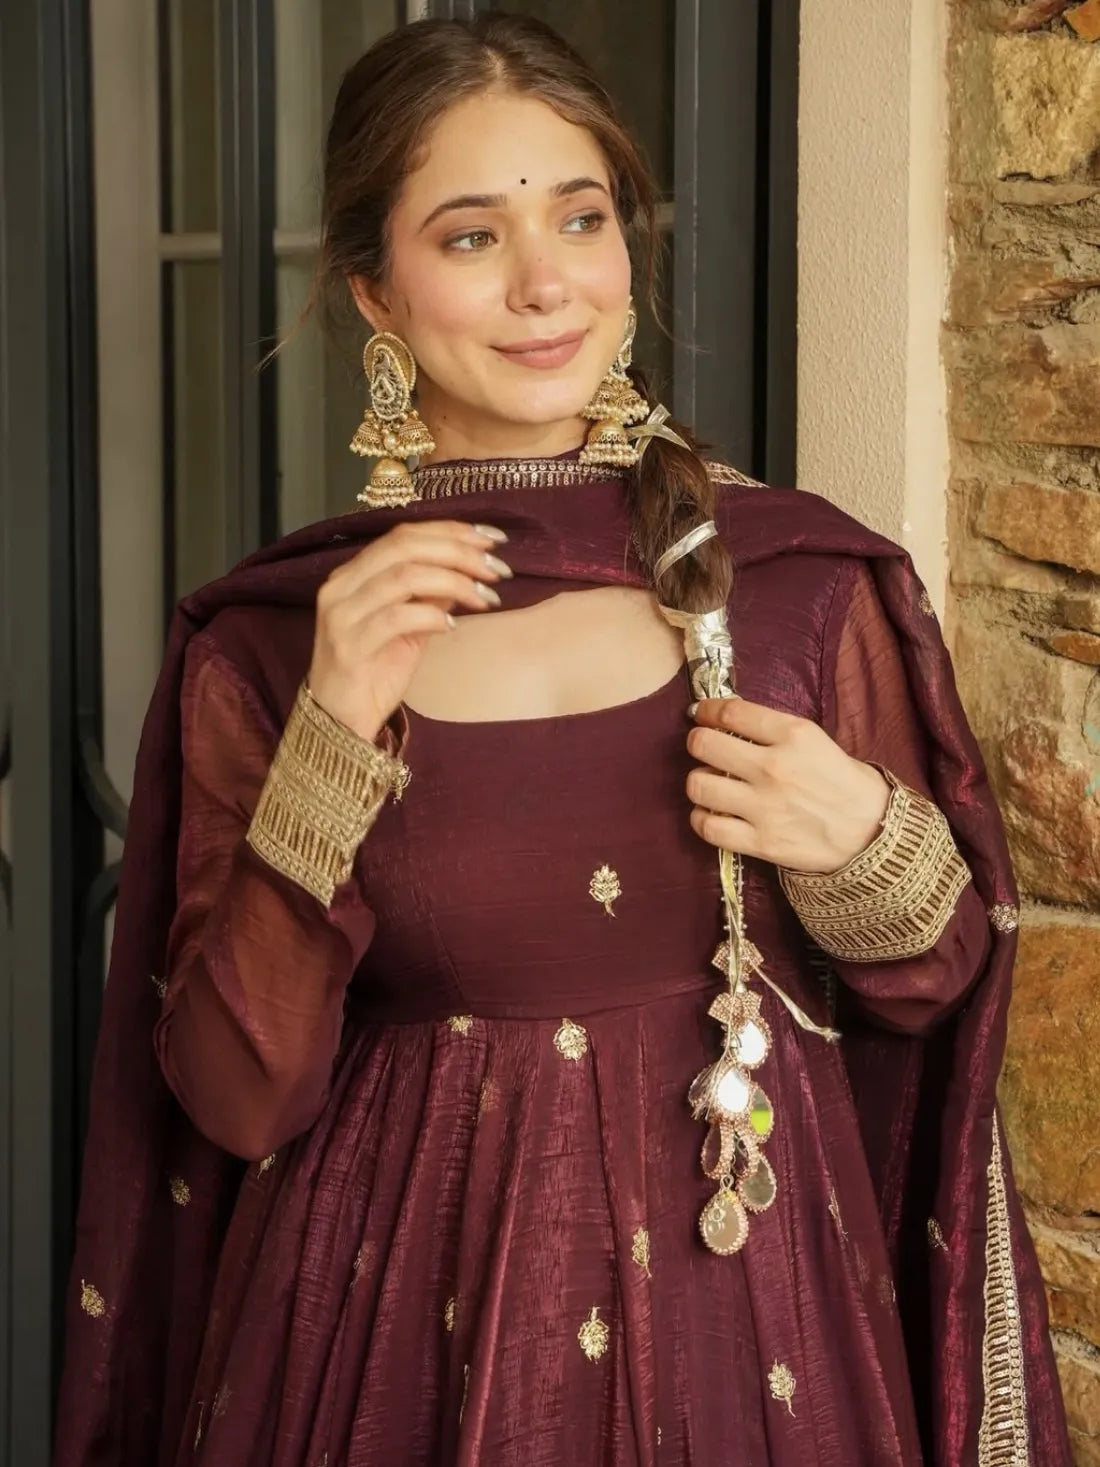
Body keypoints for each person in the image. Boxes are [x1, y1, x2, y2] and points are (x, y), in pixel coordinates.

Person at [54, 14, 1070, 1467]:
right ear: (374, 296)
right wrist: (335, 733)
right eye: (470, 237)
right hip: (382, 1345)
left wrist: (860, 840)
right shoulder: (279, 644)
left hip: (758, 1340)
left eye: (580, 218)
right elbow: (231, 1091)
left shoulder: (791, 587)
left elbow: (940, 993)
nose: (546, 285)